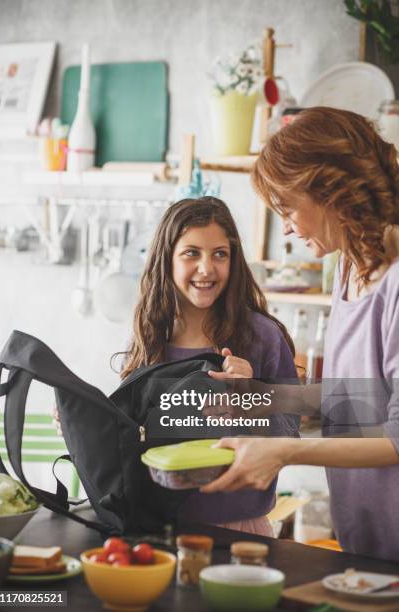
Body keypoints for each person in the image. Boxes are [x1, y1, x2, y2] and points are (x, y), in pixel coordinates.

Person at [201, 107, 399, 561]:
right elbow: (363, 399)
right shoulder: (350, 265)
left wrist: (283, 451)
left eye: (288, 209)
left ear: (330, 191)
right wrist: (262, 398)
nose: (286, 229)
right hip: (368, 541)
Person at [122, 196, 299, 535]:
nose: (207, 268)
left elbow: (291, 433)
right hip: (155, 527)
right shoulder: (146, 336)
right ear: (167, 259)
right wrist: (85, 419)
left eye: (220, 254)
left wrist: (255, 399)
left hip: (240, 528)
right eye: (192, 253)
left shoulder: (262, 336)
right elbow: (130, 430)